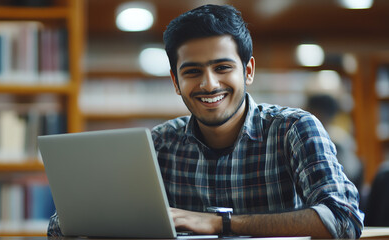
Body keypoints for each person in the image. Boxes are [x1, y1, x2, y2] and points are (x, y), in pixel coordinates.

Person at [48, 4, 364, 238]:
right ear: (175, 81)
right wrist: (94, 210)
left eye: (223, 67)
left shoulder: (294, 129)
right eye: (192, 71)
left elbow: (343, 220)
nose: (209, 84)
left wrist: (217, 223)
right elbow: (59, 228)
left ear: (248, 71)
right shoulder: (159, 143)